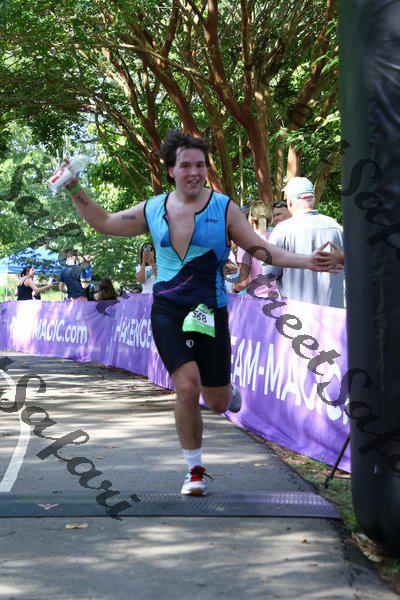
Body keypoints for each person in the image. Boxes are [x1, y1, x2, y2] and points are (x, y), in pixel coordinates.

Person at [61, 130, 340, 496]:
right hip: (168, 310)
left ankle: (226, 389)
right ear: (171, 170)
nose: (194, 172)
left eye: (200, 165)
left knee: (218, 401)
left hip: (211, 310)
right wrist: (73, 187)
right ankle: (194, 470)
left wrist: (309, 261)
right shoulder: (153, 209)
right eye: (185, 165)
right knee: (187, 385)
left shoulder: (224, 208)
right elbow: (104, 222)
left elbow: (262, 249)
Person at [264, 177, 344, 308]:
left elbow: (268, 273)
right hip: (332, 312)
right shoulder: (336, 227)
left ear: (290, 201)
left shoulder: (282, 230)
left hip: (297, 313)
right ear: (312, 198)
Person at [234, 202, 277, 297]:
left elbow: (243, 281)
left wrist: (235, 288)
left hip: (257, 298)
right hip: (281, 297)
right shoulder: (280, 235)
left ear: (251, 219)